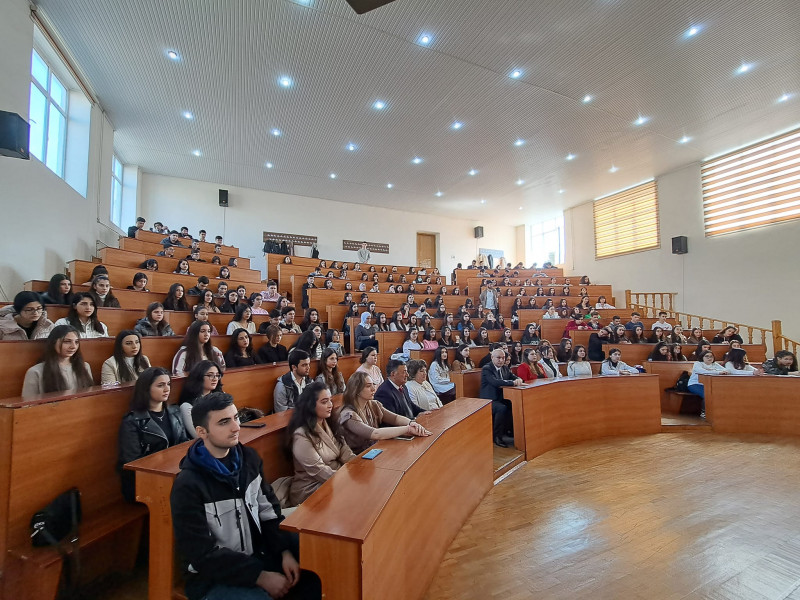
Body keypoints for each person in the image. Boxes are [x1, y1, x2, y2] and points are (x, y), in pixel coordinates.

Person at [170, 392, 322, 600]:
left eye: (235, 418)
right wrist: (259, 576)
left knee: (318, 569)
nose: (236, 427)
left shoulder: (248, 459)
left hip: (259, 556)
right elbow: (202, 556)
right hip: (213, 578)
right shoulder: (188, 485)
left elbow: (269, 512)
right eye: (224, 422)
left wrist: (284, 551)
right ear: (201, 431)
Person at [118, 367, 187, 503]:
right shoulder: (132, 421)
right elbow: (133, 462)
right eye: (160, 385)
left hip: (176, 475)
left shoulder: (174, 412)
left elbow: (184, 444)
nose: (167, 389)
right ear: (146, 388)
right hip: (145, 482)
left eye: (168, 384)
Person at [287, 382, 355, 506]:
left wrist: (358, 467)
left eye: (330, 400)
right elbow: (319, 471)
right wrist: (348, 479)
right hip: (311, 487)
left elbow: (345, 451)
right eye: (324, 402)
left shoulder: (329, 423)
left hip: (335, 477)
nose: (330, 405)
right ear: (311, 405)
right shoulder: (301, 435)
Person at [338, 372, 430, 455]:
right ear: (356, 390)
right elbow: (375, 434)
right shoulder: (348, 415)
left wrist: (411, 423)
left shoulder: (373, 405)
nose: (373, 388)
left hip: (375, 450)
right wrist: (408, 429)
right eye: (368, 386)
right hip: (357, 458)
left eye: (373, 384)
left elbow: (395, 418)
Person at [21, 325, 94, 398]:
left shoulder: (85, 366)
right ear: (53, 343)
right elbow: (28, 405)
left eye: (76, 342)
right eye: (67, 341)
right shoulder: (35, 372)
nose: (73, 346)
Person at [480, 348, 523, 447]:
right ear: (492, 357)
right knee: (501, 408)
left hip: (501, 397)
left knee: (515, 404)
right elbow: (495, 382)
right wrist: (512, 383)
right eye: (498, 358)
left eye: (503, 358)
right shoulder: (487, 368)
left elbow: (513, 376)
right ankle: (497, 437)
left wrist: (518, 379)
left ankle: (511, 431)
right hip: (489, 399)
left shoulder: (505, 368)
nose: (501, 360)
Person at [178, 361, 224, 438]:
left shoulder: (222, 396)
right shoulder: (187, 406)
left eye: (217, 375)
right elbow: (199, 436)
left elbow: (236, 422)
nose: (215, 379)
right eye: (210, 375)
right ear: (199, 377)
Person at [687, 350, 728, 416]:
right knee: (707, 395)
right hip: (695, 384)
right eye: (707, 356)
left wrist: (712, 370)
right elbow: (702, 371)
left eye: (711, 356)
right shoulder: (698, 363)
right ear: (702, 357)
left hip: (710, 384)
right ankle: (704, 412)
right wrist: (717, 372)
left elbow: (725, 370)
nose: (710, 358)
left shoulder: (714, 364)